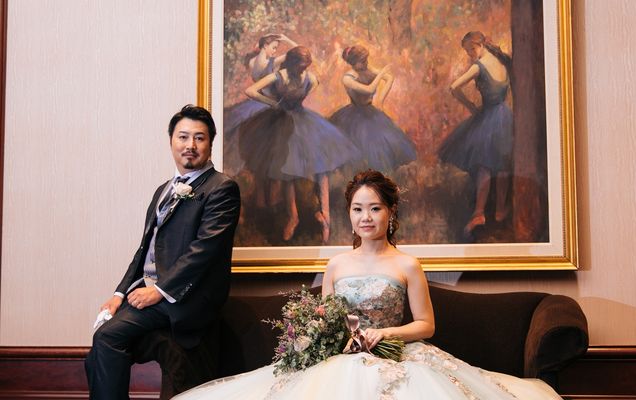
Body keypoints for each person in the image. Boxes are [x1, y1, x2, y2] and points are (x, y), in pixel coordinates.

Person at [173, 170, 562, 400]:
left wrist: (383, 334)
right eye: (358, 209)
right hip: (341, 357)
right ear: (349, 214)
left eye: (375, 208)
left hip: (394, 355)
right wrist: (319, 337)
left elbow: (426, 325)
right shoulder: (337, 264)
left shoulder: (407, 264)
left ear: (390, 212)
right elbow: (326, 319)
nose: (366, 217)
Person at [85, 105, 241, 399]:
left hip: (186, 298)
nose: (190, 145)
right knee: (100, 343)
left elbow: (204, 251)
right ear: (171, 141)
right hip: (152, 293)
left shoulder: (222, 188)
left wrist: (159, 291)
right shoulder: (164, 190)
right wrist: (119, 294)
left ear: (210, 143)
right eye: (183, 137)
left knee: (107, 336)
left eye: (199, 138)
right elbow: (144, 249)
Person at [240, 45, 360, 243]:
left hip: (304, 122)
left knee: (322, 167)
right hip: (281, 123)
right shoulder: (279, 76)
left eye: (305, 67)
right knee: (288, 172)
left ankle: (325, 215)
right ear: (292, 63)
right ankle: (293, 216)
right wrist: (271, 102)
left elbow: (311, 86)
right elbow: (250, 90)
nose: (303, 70)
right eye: (300, 67)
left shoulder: (309, 78)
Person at [437, 31, 513, 236]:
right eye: (467, 51)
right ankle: (499, 210)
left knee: (485, 165)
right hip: (505, 116)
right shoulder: (503, 62)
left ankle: (480, 212)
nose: (470, 54)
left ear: (480, 45)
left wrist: (471, 106)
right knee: (502, 163)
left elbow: (454, 87)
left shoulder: (478, 67)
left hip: (488, 118)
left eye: (471, 50)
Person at [223, 33, 297, 206]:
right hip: (266, 105)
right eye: (274, 47)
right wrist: (287, 39)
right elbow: (297, 51)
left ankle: (262, 196)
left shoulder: (252, 62)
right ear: (265, 46)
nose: (275, 51)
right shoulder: (272, 62)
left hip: (254, 104)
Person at [330, 45, 417, 173]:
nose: (366, 63)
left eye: (366, 60)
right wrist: (381, 73)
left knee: (383, 141)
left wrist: (380, 99)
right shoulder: (348, 78)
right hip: (354, 115)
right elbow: (369, 89)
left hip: (370, 111)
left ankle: (379, 173)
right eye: (362, 61)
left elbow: (389, 78)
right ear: (353, 62)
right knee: (361, 144)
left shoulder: (367, 70)